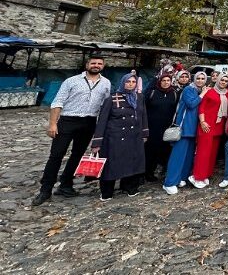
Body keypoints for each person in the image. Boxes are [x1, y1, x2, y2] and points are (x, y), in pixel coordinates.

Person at [32, 56, 111, 206]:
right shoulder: (72, 81)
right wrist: (53, 124)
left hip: (89, 122)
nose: (96, 65)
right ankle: (45, 189)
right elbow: (57, 102)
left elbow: (105, 106)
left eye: (99, 64)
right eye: (93, 63)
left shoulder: (106, 83)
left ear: (103, 66)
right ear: (87, 64)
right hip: (68, 121)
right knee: (56, 155)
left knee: (77, 155)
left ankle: (66, 184)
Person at [91, 73, 148, 200]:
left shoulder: (139, 97)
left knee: (132, 163)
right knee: (112, 165)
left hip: (134, 136)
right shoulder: (111, 99)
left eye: (133, 82)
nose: (131, 84)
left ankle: (130, 187)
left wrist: (144, 133)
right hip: (115, 138)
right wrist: (97, 142)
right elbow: (102, 121)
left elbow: (143, 115)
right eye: (128, 82)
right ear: (123, 83)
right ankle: (107, 192)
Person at [163, 72, 208, 195]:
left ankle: (181, 178)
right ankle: (169, 182)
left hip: (194, 129)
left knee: (188, 156)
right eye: (198, 78)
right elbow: (191, 104)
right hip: (184, 128)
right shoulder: (189, 89)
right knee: (177, 156)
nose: (200, 80)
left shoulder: (199, 91)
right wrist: (203, 94)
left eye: (203, 78)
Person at [189, 73, 228, 188]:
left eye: (225, 81)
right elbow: (201, 108)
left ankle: (206, 174)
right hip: (207, 125)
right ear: (217, 80)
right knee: (203, 152)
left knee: (212, 152)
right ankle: (197, 176)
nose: (223, 82)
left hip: (219, 125)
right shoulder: (209, 91)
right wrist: (202, 122)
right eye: (222, 80)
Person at [144, 74, 179, 182]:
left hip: (166, 128)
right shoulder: (152, 93)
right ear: (159, 81)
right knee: (150, 151)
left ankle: (161, 173)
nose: (166, 82)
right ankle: (146, 173)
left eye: (168, 80)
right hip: (152, 127)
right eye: (163, 80)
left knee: (164, 150)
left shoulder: (174, 93)